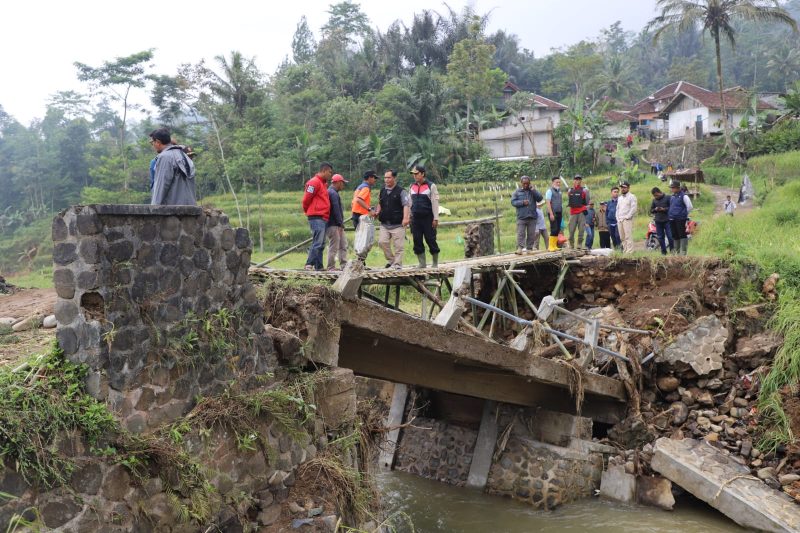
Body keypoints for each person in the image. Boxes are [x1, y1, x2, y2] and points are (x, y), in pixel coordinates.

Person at [149, 128, 196, 206]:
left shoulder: (165, 157)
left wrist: (153, 209)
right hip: (190, 207)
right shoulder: (183, 155)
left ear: (158, 142)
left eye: (152, 142)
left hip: (173, 210)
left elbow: (162, 185)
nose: (153, 145)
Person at [376, 169, 411, 269]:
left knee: (398, 246)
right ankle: (392, 261)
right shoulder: (382, 190)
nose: (386, 180)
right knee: (382, 242)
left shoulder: (401, 191)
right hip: (384, 223)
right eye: (385, 177)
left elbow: (406, 205)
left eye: (389, 177)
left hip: (398, 224)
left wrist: (405, 218)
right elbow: (379, 203)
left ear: (394, 178)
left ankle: (397, 264)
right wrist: (377, 212)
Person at [302, 162, 333, 270]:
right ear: (324, 171)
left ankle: (319, 266)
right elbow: (306, 199)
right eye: (329, 172)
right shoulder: (313, 182)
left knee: (321, 243)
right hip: (316, 216)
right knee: (318, 241)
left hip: (323, 216)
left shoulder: (323, 184)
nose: (330, 175)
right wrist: (308, 211)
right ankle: (309, 263)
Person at [409, 164, 440, 267]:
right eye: (413, 174)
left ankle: (435, 263)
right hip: (415, 219)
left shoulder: (431, 186)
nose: (414, 176)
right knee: (417, 240)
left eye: (416, 174)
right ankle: (422, 264)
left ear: (422, 174)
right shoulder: (411, 186)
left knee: (430, 239)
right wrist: (409, 216)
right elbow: (409, 203)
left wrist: (435, 218)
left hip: (428, 218)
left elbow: (435, 203)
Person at [511, 176, 544, 254]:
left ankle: (529, 249)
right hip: (521, 217)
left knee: (531, 234)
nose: (526, 185)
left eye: (527, 183)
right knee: (521, 233)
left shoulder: (532, 191)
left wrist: (533, 190)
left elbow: (540, 198)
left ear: (530, 183)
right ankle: (520, 249)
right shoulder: (517, 192)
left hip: (532, 216)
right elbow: (513, 202)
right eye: (524, 183)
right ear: (521, 183)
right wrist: (522, 202)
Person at [326, 174, 349, 270]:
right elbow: (336, 210)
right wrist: (340, 224)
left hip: (335, 224)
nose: (343, 185)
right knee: (334, 246)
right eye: (342, 183)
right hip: (334, 224)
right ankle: (331, 266)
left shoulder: (331, 192)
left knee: (343, 244)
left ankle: (344, 265)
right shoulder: (333, 193)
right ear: (338, 182)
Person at [668, 181, 693, 256]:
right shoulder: (672, 197)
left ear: (678, 188)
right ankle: (677, 252)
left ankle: (683, 253)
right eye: (671, 188)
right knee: (675, 235)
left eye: (673, 188)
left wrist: (683, 214)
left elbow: (690, 207)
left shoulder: (684, 196)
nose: (672, 189)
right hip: (672, 219)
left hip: (681, 219)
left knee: (682, 235)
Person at [566, 175, 590, 249]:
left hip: (581, 212)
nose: (578, 181)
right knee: (571, 230)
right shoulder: (570, 190)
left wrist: (586, 207)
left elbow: (587, 201)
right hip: (573, 213)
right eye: (576, 179)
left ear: (581, 181)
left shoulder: (585, 190)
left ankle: (579, 244)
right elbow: (570, 200)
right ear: (574, 181)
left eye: (579, 179)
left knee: (581, 230)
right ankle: (571, 245)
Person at [650, 187, 673, 255]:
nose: (655, 197)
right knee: (660, 238)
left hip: (667, 220)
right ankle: (663, 252)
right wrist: (655, 209)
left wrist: (664, 209)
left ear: (660, 192)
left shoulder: (668, 197)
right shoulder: (654, 200)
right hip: (658, 221)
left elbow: (672, 207)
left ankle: (672, 251)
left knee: (670, 237)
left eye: (656, 195)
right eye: (654, 196)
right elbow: (651, 210)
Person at [616, 181, 638, 254]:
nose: (623, 189)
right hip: (620, 219)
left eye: (624, 187)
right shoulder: (619, 198)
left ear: (628, 188)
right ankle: (625, 251)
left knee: (628, 236)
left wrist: (628, 217)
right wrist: (617, 218)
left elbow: (633, 208)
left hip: (627, 219)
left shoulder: (632, 196)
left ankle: (630, 252)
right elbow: (617, 209)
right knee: (622, 237)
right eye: (622, 187)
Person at [545, 177, 563, 251]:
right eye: (556, 182)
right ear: (552, 183)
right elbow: (548, 202)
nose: (558, 183)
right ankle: (550, 246)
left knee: (558, 229)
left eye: (559, 182)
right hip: (553, 213)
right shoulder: (549, 191)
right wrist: (551, 214)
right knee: (554, 229)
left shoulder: (559, 191)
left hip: (559, 212)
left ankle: (554, 245)